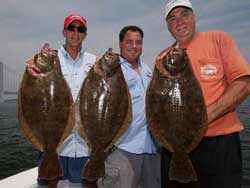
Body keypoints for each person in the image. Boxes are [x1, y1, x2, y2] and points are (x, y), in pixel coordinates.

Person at [158, 0, 250, 188]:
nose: (180, 21)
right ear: (168, 25)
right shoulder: (162, 57)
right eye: (173, 18)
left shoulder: (218, 39)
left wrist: (203, 118)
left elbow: (244, 82)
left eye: (185, 14)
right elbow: (157, 104)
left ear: (194, 17)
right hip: (174, 147)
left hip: (218, 144)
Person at [37, 14, 98, 188]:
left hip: (86, 144)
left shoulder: (94, 62)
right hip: (53, 144)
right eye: (71, 28)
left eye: (81, 29)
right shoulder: (49, 58)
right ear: (64, 32)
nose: (76, 33)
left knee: (88, 185)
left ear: (85, 34)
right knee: (51, 184)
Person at [99, 25, 161, 188]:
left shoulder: (147, 69)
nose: (134, 46)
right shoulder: (109, 70)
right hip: (122, 148)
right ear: (120, 44)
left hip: (151, 149)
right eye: (129, 42)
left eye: (138, 42)